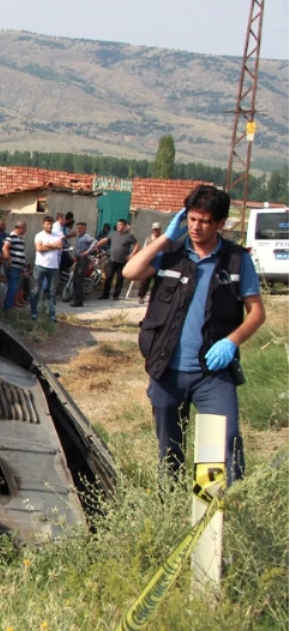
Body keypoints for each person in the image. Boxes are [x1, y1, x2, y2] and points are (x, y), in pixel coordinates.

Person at [122, 185, 265, 482]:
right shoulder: (171, 254)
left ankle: (218, 512)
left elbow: (257, 312)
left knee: (223, 445)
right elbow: (130, 272)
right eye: (192, 219)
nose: (196, 227)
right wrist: (165, 238)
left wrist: (231, 341)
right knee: (169, 452)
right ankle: (171, 510)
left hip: (212, 375)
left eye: (204, 221)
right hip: (167, 372)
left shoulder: (237, 260)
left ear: (221, 223)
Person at [96, 219, 138, 300]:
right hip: (112, 259)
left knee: (120, 278)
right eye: (118, 225)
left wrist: (131, 255)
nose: (119, 226)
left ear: (125, 226)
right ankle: (105, 295)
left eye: (120, 225)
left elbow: (137, 244)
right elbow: (105, 240)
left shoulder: (129, 236)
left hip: (122, 261)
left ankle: (116, 295)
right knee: (108, 277)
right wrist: (97, 245)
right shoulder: (113, 234)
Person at [31, 215, 62, 322]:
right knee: (36, 290)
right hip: (40, 266)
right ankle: (34, 313)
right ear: (43, 224)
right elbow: (39, 248)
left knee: (52, 293)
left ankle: (52, 315)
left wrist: (47, 245)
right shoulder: (38, 235)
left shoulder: (57, 236)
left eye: (51, 224)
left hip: (53, 267)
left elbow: (59, 246)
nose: (49, 226)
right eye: (47, 224)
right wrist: (53, 246)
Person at [3, 221, 28, 312]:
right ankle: (7, 307)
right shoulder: (12, 236)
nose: (25, 231)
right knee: (12, 287)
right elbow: (5, 248)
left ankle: (10, 305)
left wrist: (23, 268)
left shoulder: (20, 239)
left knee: (15, 287)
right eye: (25, 229)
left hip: (18, 267)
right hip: (13, 267)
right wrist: (8, 259)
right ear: (20, 228)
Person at [70, 221, 96, 307]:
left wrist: (88, 251)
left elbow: (94, 241)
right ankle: (76, 300)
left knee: (78, 281)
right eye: (78, 228)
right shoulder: (79, 237)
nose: (79, 229)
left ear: (85, 229)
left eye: (81, 228)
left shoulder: (86, 237)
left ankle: (79, 302)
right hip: (78, 260)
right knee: (75, 280)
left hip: (83, 260)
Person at [136, 222, 162, 304]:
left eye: (157, 229)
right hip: (149, 263)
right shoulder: (148, 239)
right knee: (145, 281)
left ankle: (156, 298)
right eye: (154, 229)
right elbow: (144, 249)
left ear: (160, 230)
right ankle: (141, 296)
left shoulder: (163, 239)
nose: (155, 231)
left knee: (159, 282)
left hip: (159, 263)